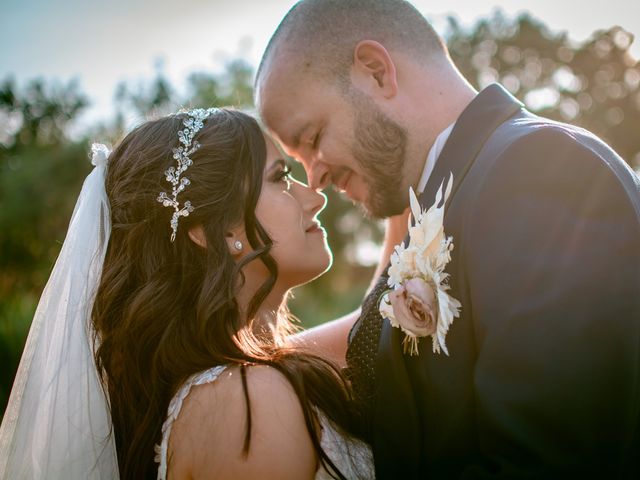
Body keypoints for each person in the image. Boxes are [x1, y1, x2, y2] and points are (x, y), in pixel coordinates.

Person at [255, 0, 640, 478]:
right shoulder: (454, 196)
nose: (314, 179)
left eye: (312, 138)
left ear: (376, 72)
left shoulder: (539, 169)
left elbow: (551, 460)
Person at [0, 108, 374, 479]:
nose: (315, 197)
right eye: (280, 178)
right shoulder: (247, 404)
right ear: (217, 232)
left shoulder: (235, 388)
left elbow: (378, 314)